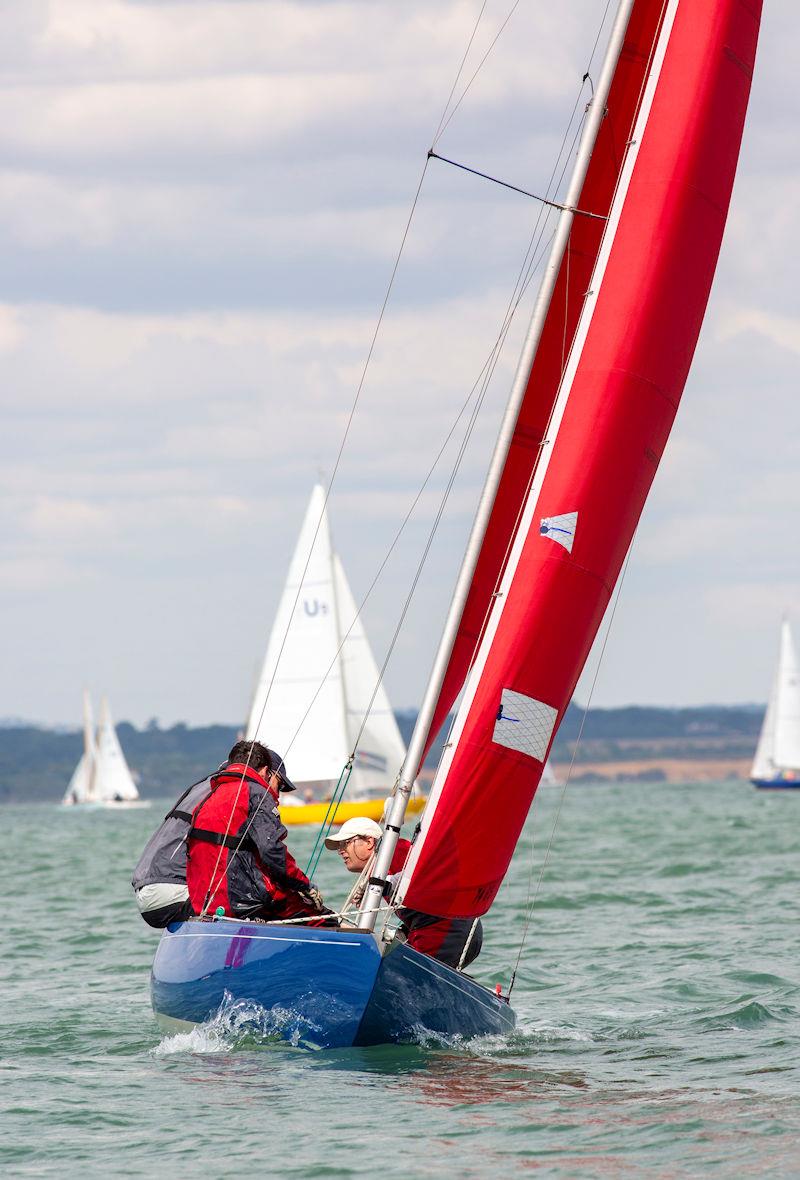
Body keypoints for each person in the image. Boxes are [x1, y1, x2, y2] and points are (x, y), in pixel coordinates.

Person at [186, 740, 324, 921]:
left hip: (205, 908)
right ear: (267, 772)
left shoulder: (208, 797)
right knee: (322, 919)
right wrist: (305, 885)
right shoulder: (257, 793)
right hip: (244, 905)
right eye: (280, 785)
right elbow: (272, 851)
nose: (279, 794)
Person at [325, 817, 482, 970]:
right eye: (339, 846)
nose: (341, 851)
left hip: (448, 930)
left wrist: (385, 884)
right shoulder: (379, 866)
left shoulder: (395, 850)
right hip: (434, 930)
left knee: (394, 972)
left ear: (369, 842)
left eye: (346, 843)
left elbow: (421, 872)